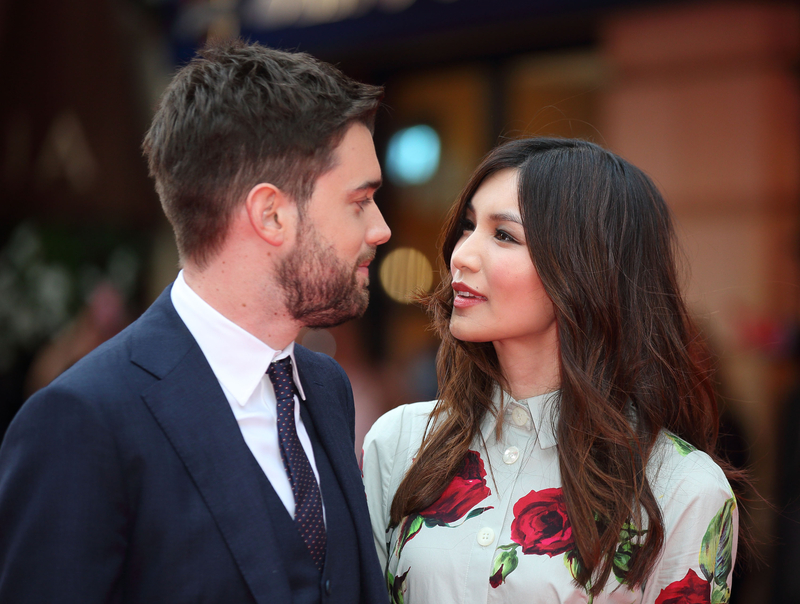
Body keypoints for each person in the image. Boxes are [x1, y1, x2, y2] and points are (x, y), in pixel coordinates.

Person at [0, 40, 391, 604]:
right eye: (360, 201)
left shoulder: (324, 387)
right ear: (271, 213)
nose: (380, 228)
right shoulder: (84, 422)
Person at [362, 137, 740, 603]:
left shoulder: (681, 487)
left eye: (504, 235)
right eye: (467, 226)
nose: (461, 254)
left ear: (587, 267)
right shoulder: (400, 444)